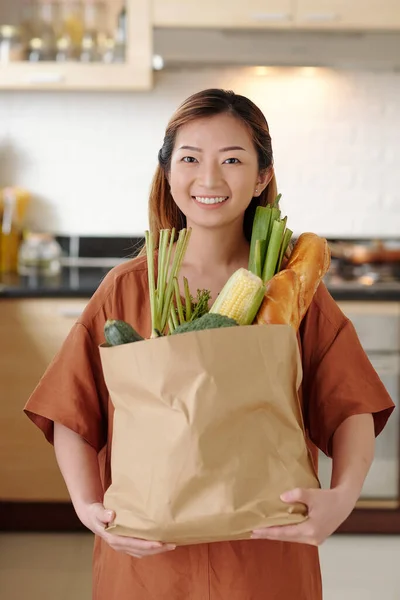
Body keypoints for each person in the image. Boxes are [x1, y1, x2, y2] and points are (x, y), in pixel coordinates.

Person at [24, 88, 394, 600]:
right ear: (168, 172)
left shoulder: (291, 289)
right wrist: (89, 508)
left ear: (262, 176)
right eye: (191, 158)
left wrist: (343, 498)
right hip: (148, 559)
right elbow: (72, 412)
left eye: (233, 160)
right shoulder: (129, 287)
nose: (210, 179)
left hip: (263, 552)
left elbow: (351, 403)